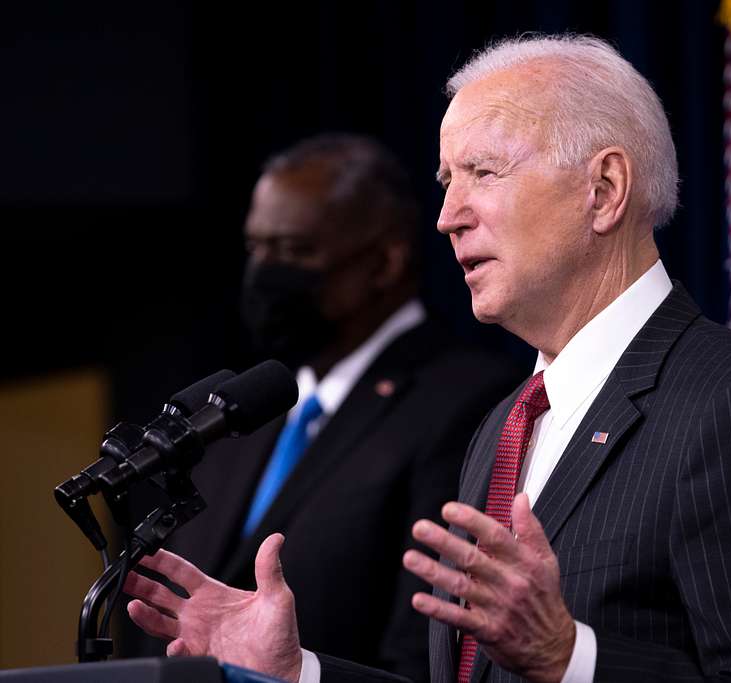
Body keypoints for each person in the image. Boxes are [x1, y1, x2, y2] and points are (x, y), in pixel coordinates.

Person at [124, 36, 731, 683]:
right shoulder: (504, 427)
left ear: (603, 191)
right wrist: (299, 670)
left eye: (482, 171)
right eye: (448, 182)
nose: (447, 216)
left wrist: (574, 658)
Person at [121, 133, 520, 682]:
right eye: (257, 248)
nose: (265, 272)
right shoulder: (239, 411)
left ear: (383, 262)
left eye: (293, 252)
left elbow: (428, 647)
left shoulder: (469, 400)